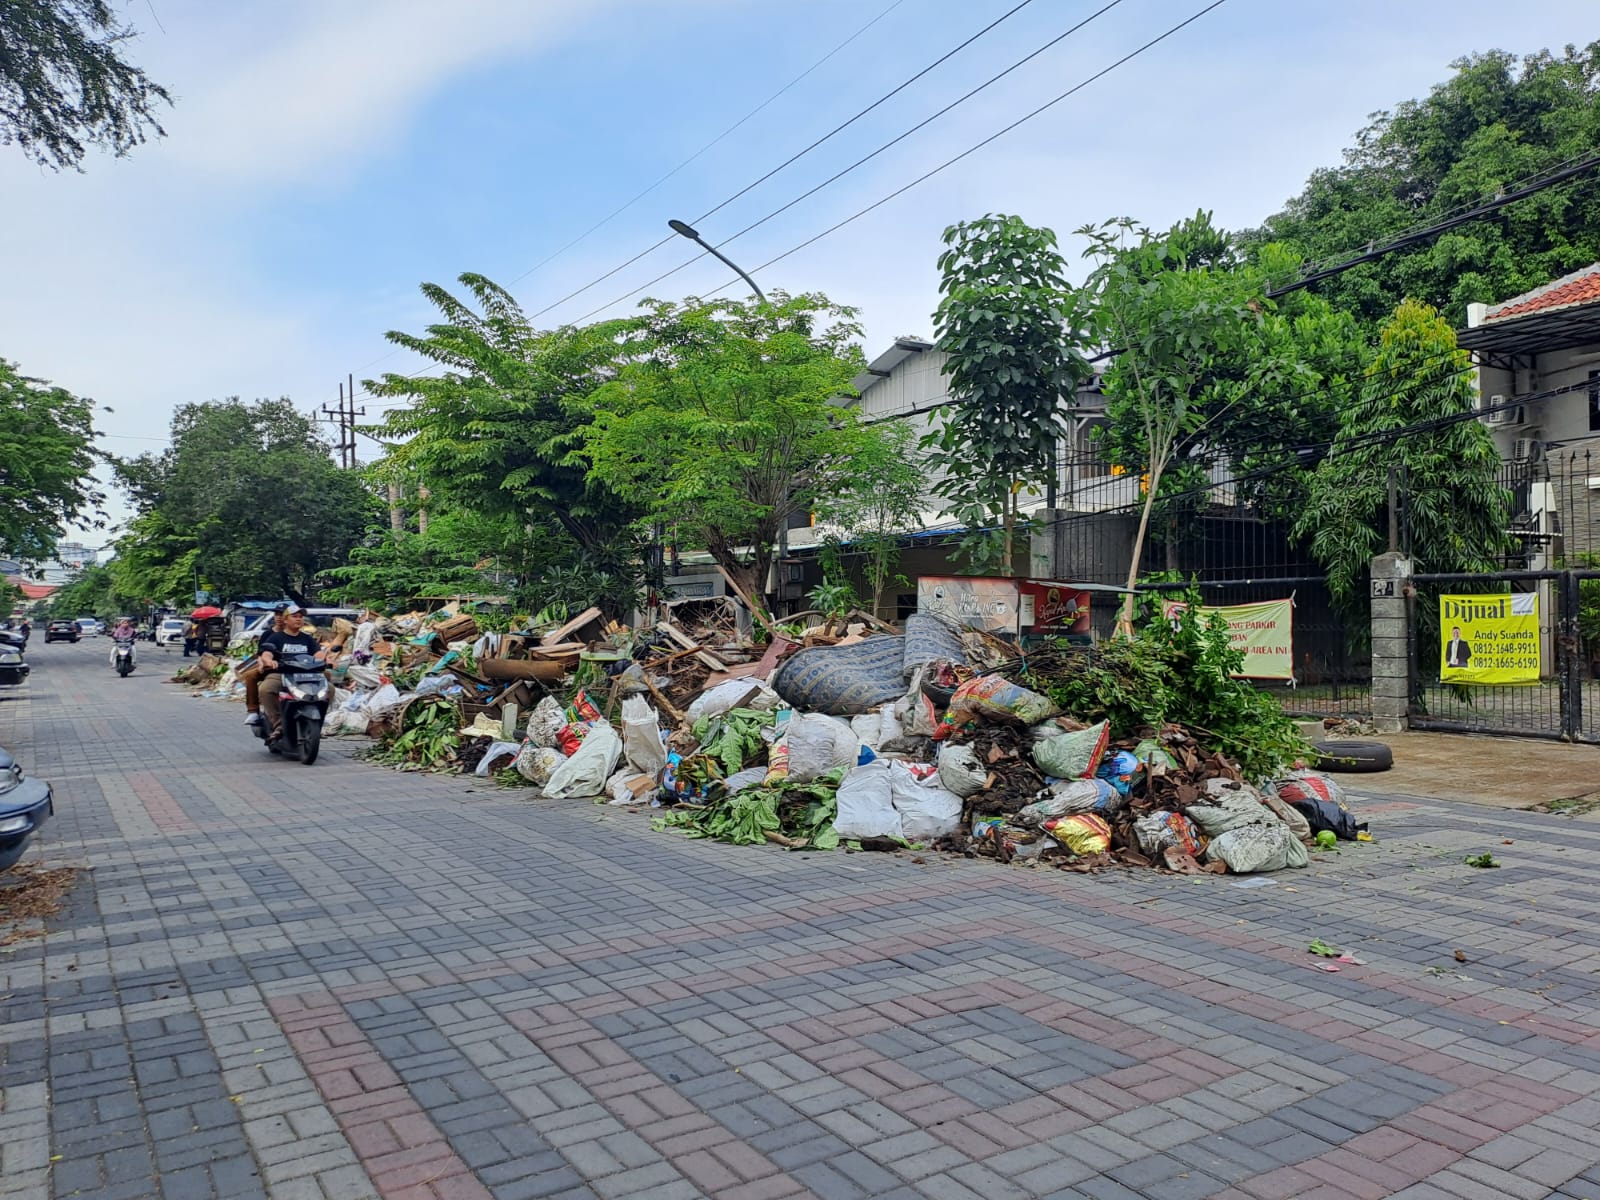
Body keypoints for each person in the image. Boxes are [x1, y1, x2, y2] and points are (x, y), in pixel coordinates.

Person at [256, 605, 325, 742]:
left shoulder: (307, 639)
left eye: (301, 617)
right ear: (286, 620)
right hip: (282, 674)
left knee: (330, 689)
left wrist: (325, 660)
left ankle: (318, 722)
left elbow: (318, 653)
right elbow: (266, 653)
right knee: (265, 689)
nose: (298, 620)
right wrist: (269, 660)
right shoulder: (276, 637)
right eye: (294, 617)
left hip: (306, 675)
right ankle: (278, 724)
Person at [244, 607, 288, 725]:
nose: (279, 617)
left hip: (293, 668)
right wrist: (261, 663)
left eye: (282, 614)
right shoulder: (268, 634)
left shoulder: (301, 634)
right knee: (250, 676)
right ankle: (253, 711)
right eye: (277, 614)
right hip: (270, 667)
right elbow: (260, 653)